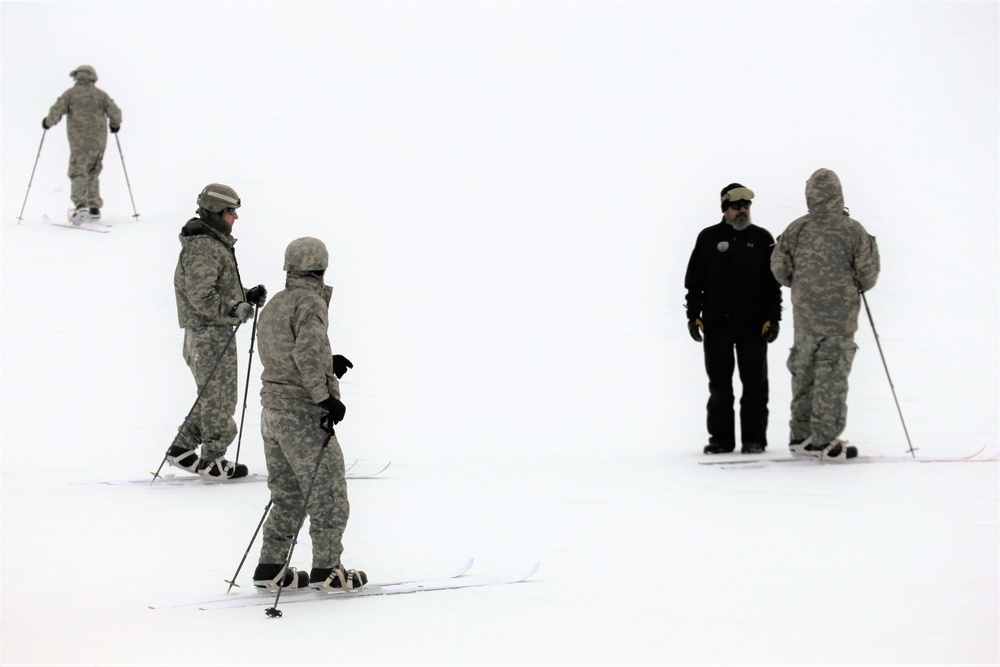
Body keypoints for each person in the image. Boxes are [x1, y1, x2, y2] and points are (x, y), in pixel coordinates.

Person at [251, 237, 367, 592]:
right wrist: (325, 396)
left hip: (272, 411)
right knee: (329, 493)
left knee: (288, 494)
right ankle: (327, 570)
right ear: (321, 268)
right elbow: (305, 352)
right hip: (302, 414)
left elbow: (285, 354)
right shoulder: (311, 303)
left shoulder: (276, 303)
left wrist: (327, 366)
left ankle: (270, 566)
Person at [770, 168, 880, 460]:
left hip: (805, 317)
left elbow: (779, 270)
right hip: (840, 317)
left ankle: (800, 435)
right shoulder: (853, 230)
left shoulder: (795, 229)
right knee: (831, 374)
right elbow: (868, 275)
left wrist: (803, 283)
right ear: (838, 193)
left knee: (803, 369)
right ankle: (824, 440)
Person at [166, 184, 267, 479]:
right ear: (216, 213)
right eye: (230, 212)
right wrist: (233, 308)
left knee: (213, 396)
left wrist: (244, 296)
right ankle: (213, 460)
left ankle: (182, 450)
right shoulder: (204, 246)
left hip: (210, 332)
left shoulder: (212, 243)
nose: (235, 217)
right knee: (220, 398)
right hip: (208, 333)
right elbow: (201, 296)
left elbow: (214, 289)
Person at [684, 183, 783, 454]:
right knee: (719, 386)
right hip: (717, 326)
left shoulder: (762, 239)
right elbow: (694, 283)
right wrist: (694, 317)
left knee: (755, 385)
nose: (742, 210)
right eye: (736, 206)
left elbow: (772, 285)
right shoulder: (708, 238)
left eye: (746, 206)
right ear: (725, 209)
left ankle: (754, 440)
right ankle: (721, 440)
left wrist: (773, 319)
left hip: (753, 326)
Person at [42, 65, 123, 223]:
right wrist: (115, 124)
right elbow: (115, 112)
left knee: (78, 171)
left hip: (79, 141)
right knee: (93, 171)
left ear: (77, 77)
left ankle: (80, 206)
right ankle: (94, 208)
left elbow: (57, 110)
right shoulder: (100, 95)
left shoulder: (71, 94)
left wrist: (47, 123)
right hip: (99, 141)